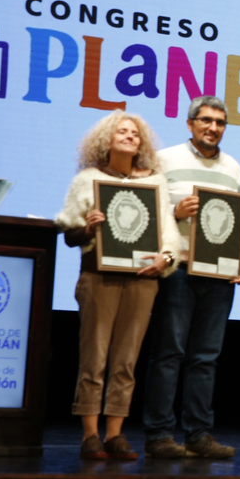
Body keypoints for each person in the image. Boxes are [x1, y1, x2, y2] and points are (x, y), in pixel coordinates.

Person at [54, 110, 178, 460]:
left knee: (126, 361)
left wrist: (166, 258)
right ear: (106, 139)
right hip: (99, 277)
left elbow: (167, 232)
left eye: (134, 133)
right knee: (94, 357)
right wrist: (89, 227)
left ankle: (115, 434)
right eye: (122, 131)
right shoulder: (89, 180)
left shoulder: (155, 182)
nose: (129, 136)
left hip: (142, 280)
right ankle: (90, 435)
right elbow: (70, 234)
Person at [142, 96, 240, 460]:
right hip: (178, 268)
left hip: (219, 274)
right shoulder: (165, 159)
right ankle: (159, 435)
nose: (213, 128)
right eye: (205, 120)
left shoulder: (233, 168)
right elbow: (146, 211)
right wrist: (174, 211)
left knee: (206, 357)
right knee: (168, 353)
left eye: (220, 122)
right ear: (190, 124)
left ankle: (198, 435)